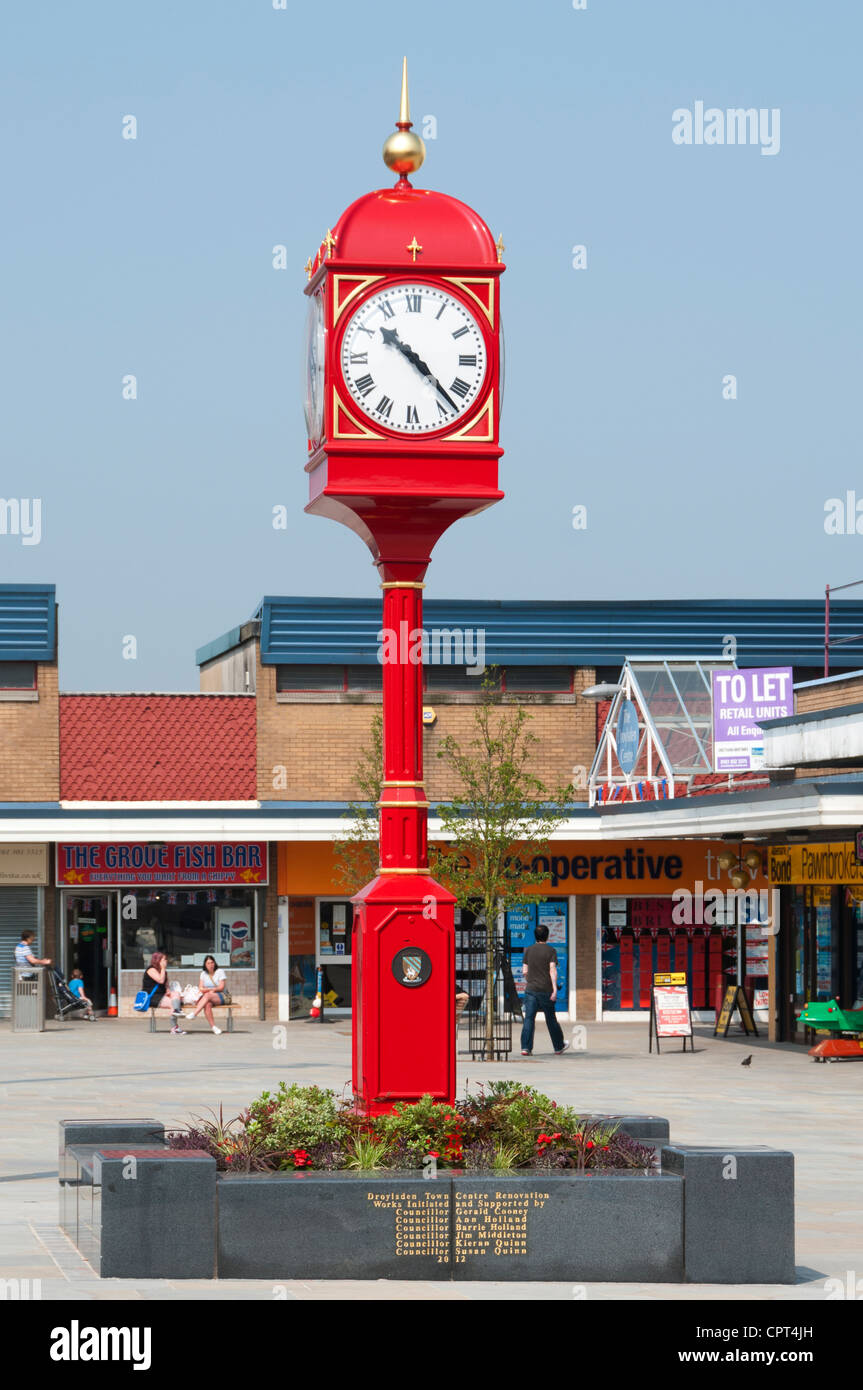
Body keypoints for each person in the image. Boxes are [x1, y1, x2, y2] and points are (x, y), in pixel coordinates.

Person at [520, 923, 570, 1057]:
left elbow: (524, 971)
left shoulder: (528, 950)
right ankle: (558, 1047)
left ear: (535, 935)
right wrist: (554, 989)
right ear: (547, 936)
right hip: (546, 990)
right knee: (551, 1019)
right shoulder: (551, 951)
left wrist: (531, 980)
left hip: (531, 989)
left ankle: (526, 1047)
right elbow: (552, 970)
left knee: (529, 1019)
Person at [143, 951, 185, 1035]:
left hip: (162, 995)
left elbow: (166, 985)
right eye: (164, 959)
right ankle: (174, 1027)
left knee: (176, 994)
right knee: (173, 1004)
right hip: (153, 996)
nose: (166, 961)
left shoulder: (164, 972)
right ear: (158, 960)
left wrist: (168, 991)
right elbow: (160, 980)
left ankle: (177, 1011)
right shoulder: (151, 970)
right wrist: (163, 968)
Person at [184, 955, 227, 1034]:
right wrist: (209, 990)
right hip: (209, 997)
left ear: (214, 963)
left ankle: (195, 1013)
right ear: (205, 965)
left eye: (212, 962)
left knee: (207, 995)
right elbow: (200, 988)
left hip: (221, 995)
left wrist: (211, 990)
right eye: (208, 963)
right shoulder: (203, 974)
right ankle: (214, 1027)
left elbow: (221, 987)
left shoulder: (220, 971)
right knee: (207, 1004)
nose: (211, 965)